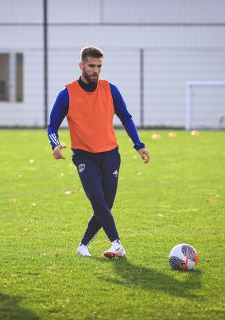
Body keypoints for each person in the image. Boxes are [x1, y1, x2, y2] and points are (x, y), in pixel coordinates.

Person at [47, 46, 150, 259]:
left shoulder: (110, 89)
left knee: (105, 204)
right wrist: (54, 145)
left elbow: (126, 118)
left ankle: (83, 245)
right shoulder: (66, 93)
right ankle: (117, 244)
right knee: (97, 199)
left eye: (99, 66)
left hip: (111, 155)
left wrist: (138, 144)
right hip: (84, 156)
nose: (95, 70)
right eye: (91, 66)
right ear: (81, 66)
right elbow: (52, 126)